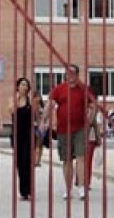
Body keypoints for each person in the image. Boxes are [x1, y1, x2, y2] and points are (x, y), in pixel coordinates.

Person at [41, 63, 96, 200]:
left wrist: (89, 121)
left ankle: (82, 188)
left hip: (80, 129)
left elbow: (93, 105)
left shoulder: (84, 89)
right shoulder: (59, 89)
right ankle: (68, 189)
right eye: (68, 73)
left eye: (73, 73)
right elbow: (50, 104)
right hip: (63, 130)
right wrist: (43, 120)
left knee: (81, 158)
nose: (70, 76)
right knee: (67, 160)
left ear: (77, 74)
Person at [8, 77, 36, 200]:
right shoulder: (13, 99)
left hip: (28, 134)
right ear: (18, 86)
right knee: (19, 163)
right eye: (22, 84)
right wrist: (17, 98)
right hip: (17, 134)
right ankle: (23, 191)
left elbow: (36, 116)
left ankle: (29, 190)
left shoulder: (31, 101)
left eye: (26, 85)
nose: (24, 87)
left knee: (27, 161)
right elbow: (11, 111)